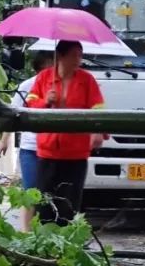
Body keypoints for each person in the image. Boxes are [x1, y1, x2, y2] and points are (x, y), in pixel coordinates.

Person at [25, 40, 107, 225]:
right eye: (74, 55)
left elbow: (98, 107)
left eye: (80, 55)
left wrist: (98, 130)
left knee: (69, 203)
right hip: (48, 151)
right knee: (44, 203)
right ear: (60, 56)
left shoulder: (87, 80)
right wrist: (46, 101)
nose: (78, 59)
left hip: (76, 153)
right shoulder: (44, 78)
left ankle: (67, 243)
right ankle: (43, 243)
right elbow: (29, 106)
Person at [0, 51, 52, 231]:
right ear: (40, 67)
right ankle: (27, 232)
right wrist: (4, 139)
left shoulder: (61, 86)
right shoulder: (27, 85)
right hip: (31, 147)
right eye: (48, 65)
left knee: (50, 193)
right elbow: (11, 114)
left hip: (54, 148)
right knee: (30, 192)